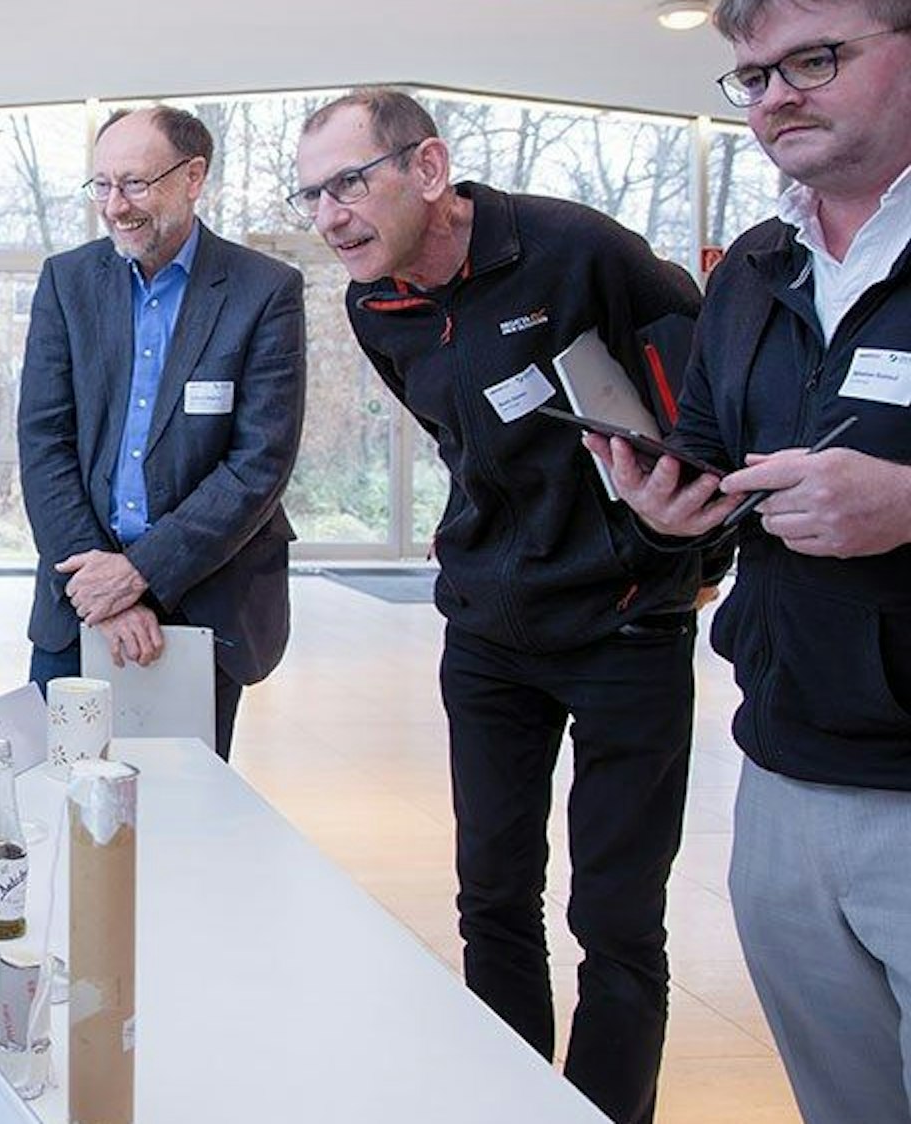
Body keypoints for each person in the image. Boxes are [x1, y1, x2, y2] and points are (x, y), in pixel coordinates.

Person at [293, 88, 722, 1124]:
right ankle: (512, 1104)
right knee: (491, 897)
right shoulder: (373, 305)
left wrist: (687, 548)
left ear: (427, 168)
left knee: (616, 919)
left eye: (347, 183)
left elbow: (713, 405)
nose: (328, 216)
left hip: (627, 624)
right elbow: (458, 437)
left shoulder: (579, 252)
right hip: (489, 631)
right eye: (310, 195)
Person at [591, 3, 911, 1118]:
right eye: (753, 76)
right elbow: (713, 462)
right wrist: (670, 510)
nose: (776, 97)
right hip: (779, 774)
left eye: (813, 60)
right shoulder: (753, 269)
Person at [17, 105, 305, 761]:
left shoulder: (264, 291)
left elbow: (258, 464)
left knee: (185, 806)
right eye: (102, 185)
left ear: (193, 177)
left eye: (135, 184)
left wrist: (140, 572)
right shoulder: (67, 281)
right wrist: (105, 593)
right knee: (58, 792)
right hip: (80, 595)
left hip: (205, 595)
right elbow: (43, 442)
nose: (115, 206)